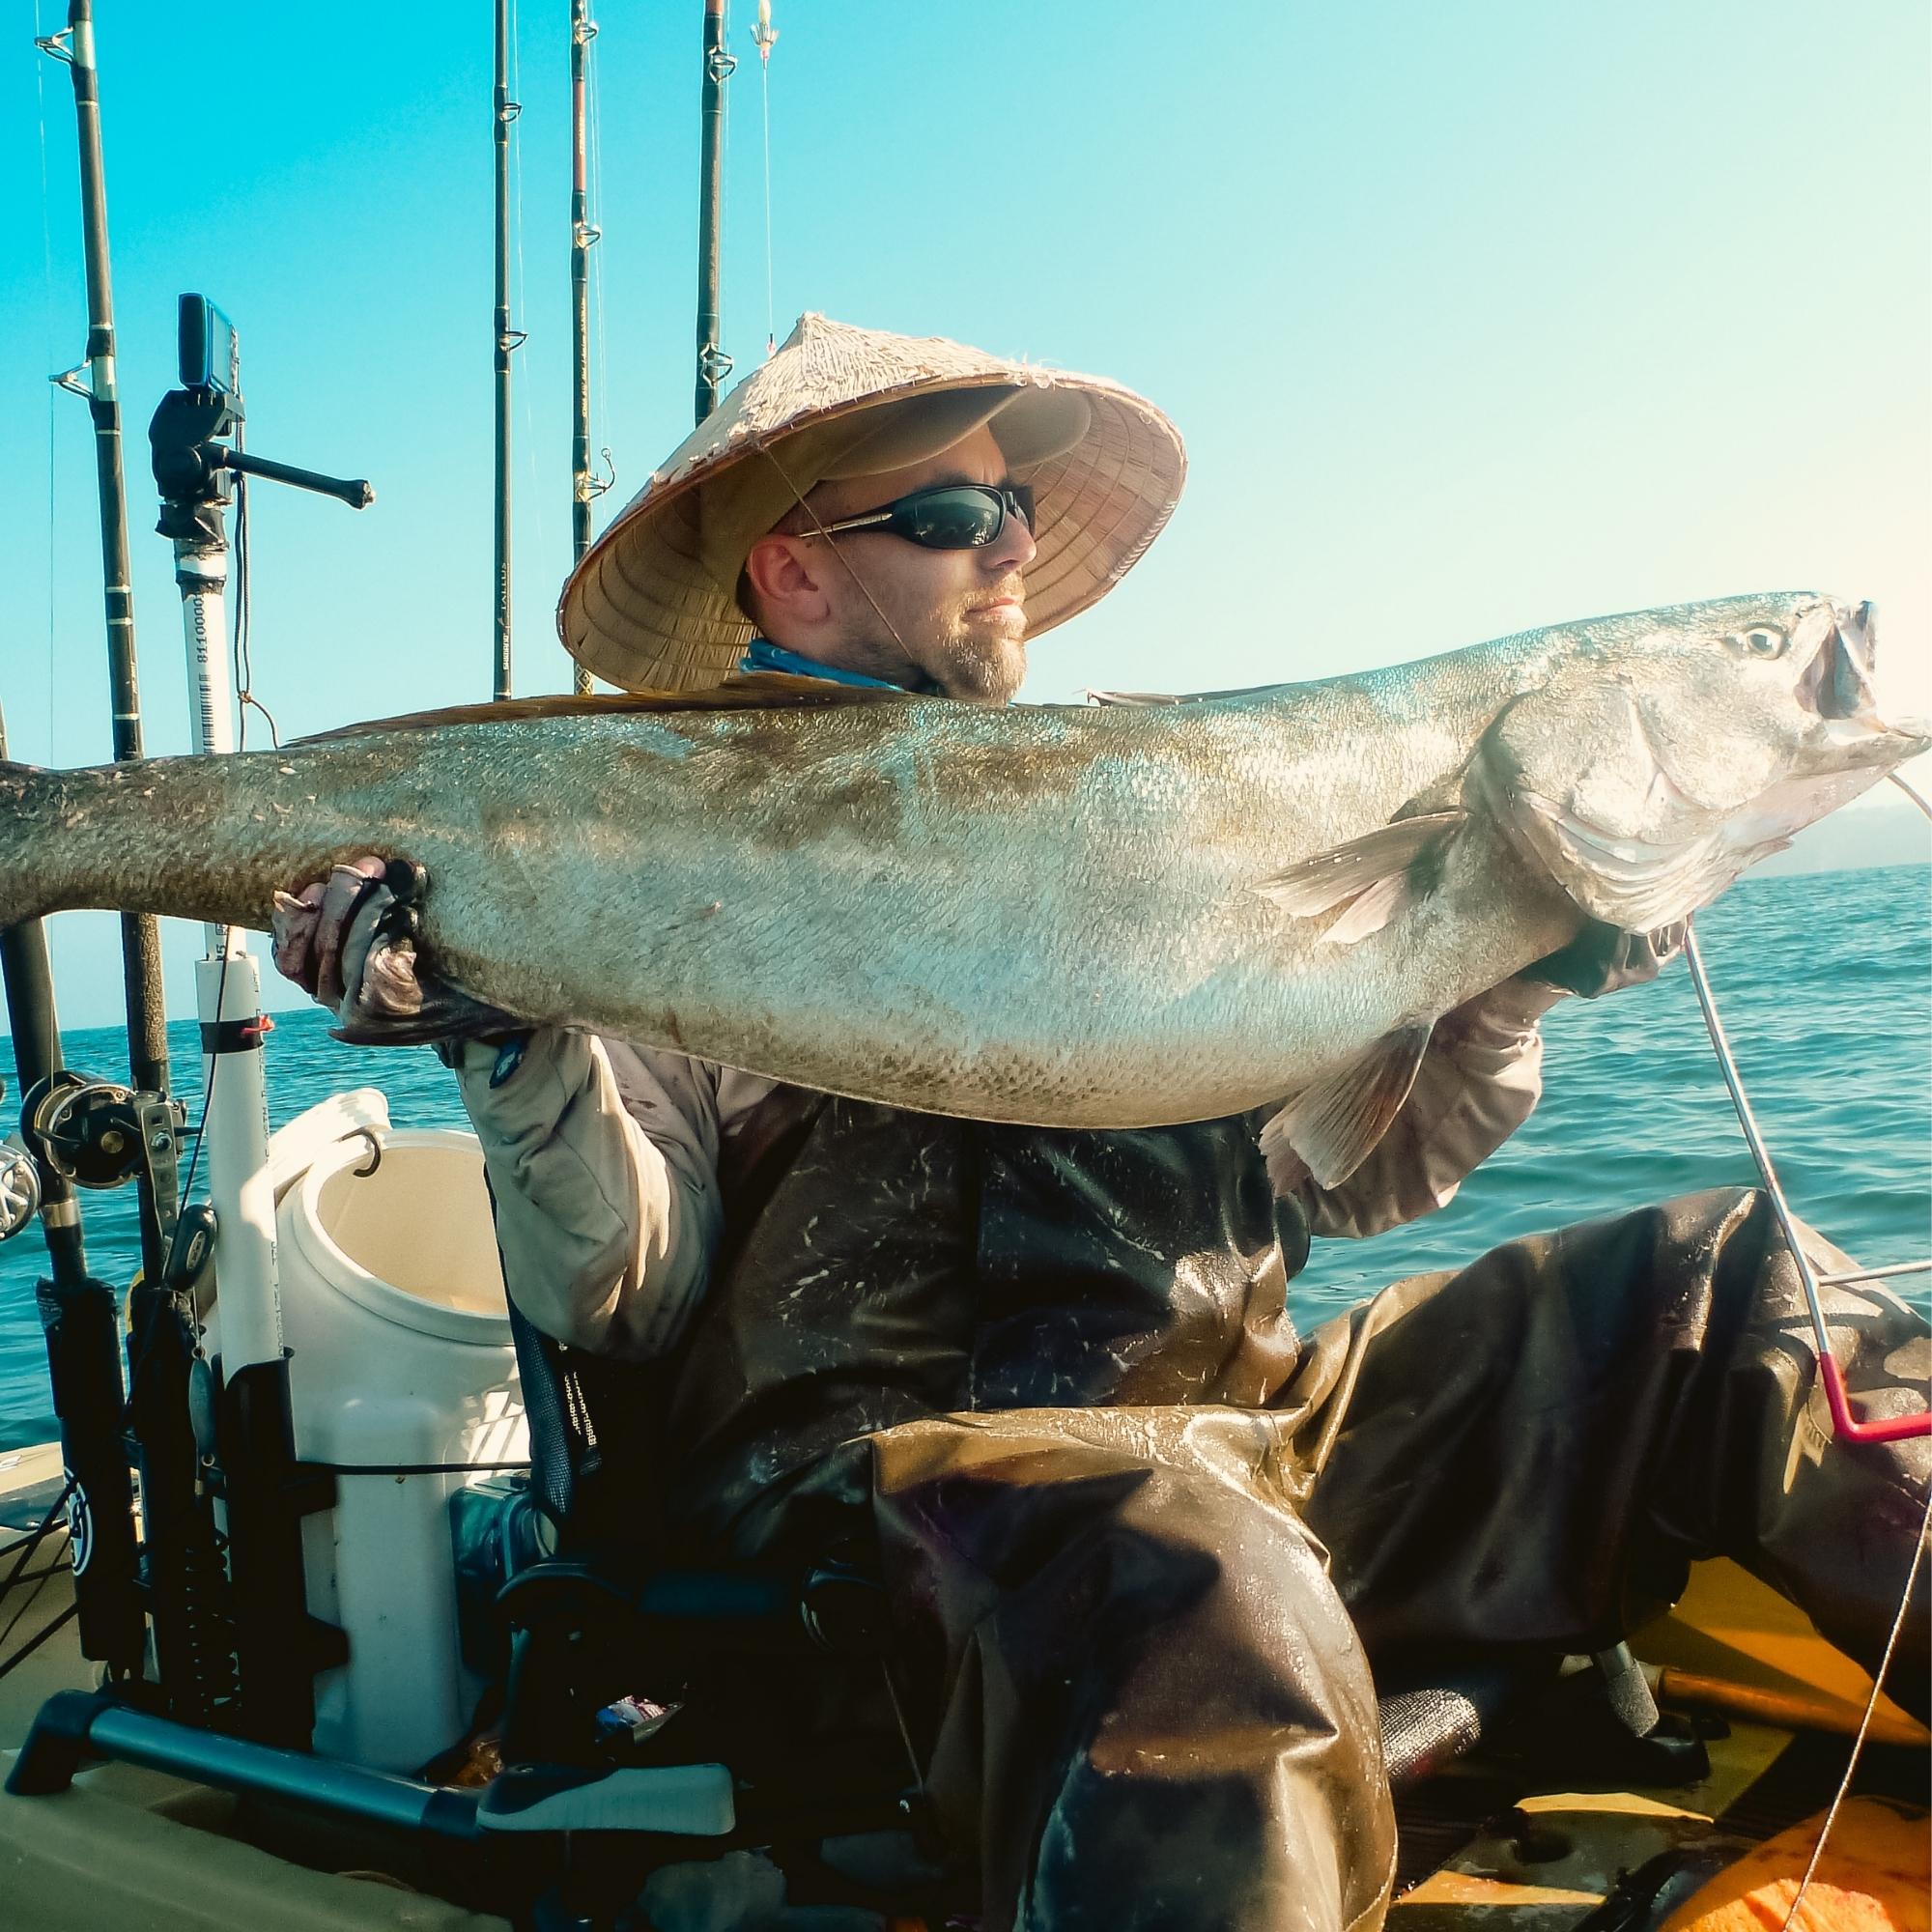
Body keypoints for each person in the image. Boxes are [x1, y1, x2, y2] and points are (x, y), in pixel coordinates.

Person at [274, 315, 1931, 1932]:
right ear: (794, 575)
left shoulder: (1158, 803)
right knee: (1179, 1555)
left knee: (1738, 1291)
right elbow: (619, 1295)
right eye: (952, 514)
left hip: (1251, 1450)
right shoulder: (646, 866)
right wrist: (511, 1044)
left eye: (1017, 505)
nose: (1011, 544)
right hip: (894, 1543)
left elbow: (1353, 1181)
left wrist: (1503, 984)